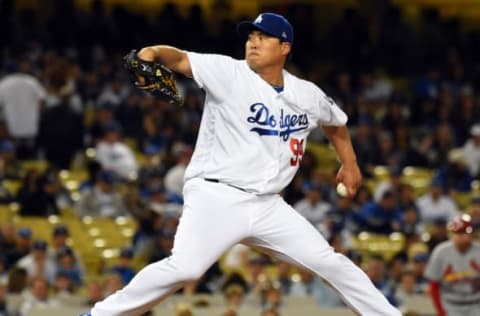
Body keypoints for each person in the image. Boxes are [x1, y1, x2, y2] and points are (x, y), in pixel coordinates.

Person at [83, 12, 400, 315]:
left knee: (331, 263)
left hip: (268, 205)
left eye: (264, 37)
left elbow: (335, 124)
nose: (253, 42)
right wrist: (151, 52)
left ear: (285, 47)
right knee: (186, 268)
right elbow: (178, 58)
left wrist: (351, 164)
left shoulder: (307, 94)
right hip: (217, 195)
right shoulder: (228, 72)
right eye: (251, 36)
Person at [424, 213, 480, 316]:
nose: (460, 236)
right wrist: (441, 311)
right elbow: (433, 285)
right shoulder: (440, 252)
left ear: (472, 234)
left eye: (464, 232)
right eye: (457, 232)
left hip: (476, 305)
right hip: (450, 305)